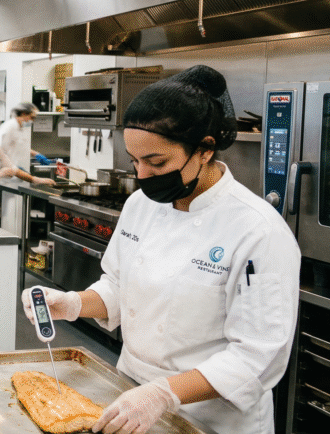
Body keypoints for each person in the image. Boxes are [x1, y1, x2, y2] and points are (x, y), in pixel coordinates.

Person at [21, 65, 300, 434]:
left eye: (156, 162)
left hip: (211, 417)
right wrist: (74, 303)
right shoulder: (141, 205)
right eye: (135, 161)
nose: (142, 175)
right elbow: (119, 286)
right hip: (130, 395)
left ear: (204, 149)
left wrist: (163, 394)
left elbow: (257, 357)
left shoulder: (257, 230)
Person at [0, 102, 51, 170]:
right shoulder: (10, 127)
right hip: (7, 173)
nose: (32, 120)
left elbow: (20, 146)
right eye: (32, 117)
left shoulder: (20, 128)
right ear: (23, 114)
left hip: (15, 169)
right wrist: (9, 165)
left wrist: (36, 154)